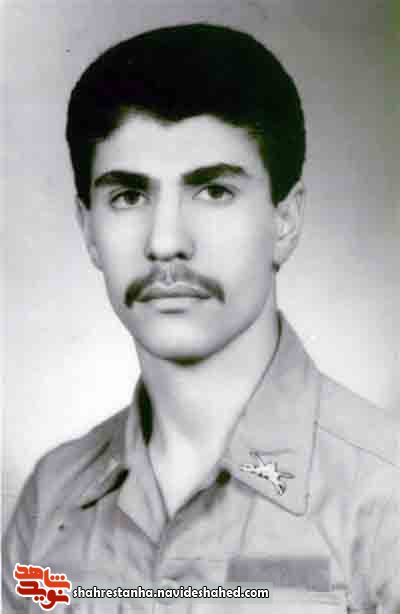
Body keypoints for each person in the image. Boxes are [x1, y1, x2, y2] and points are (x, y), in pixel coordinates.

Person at [3, 23, 399, 614]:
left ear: (285, 221)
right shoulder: (51, 498)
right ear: (89, 229)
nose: (165, 242)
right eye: (129, 196)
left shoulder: (384, 496)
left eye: (213, 191)